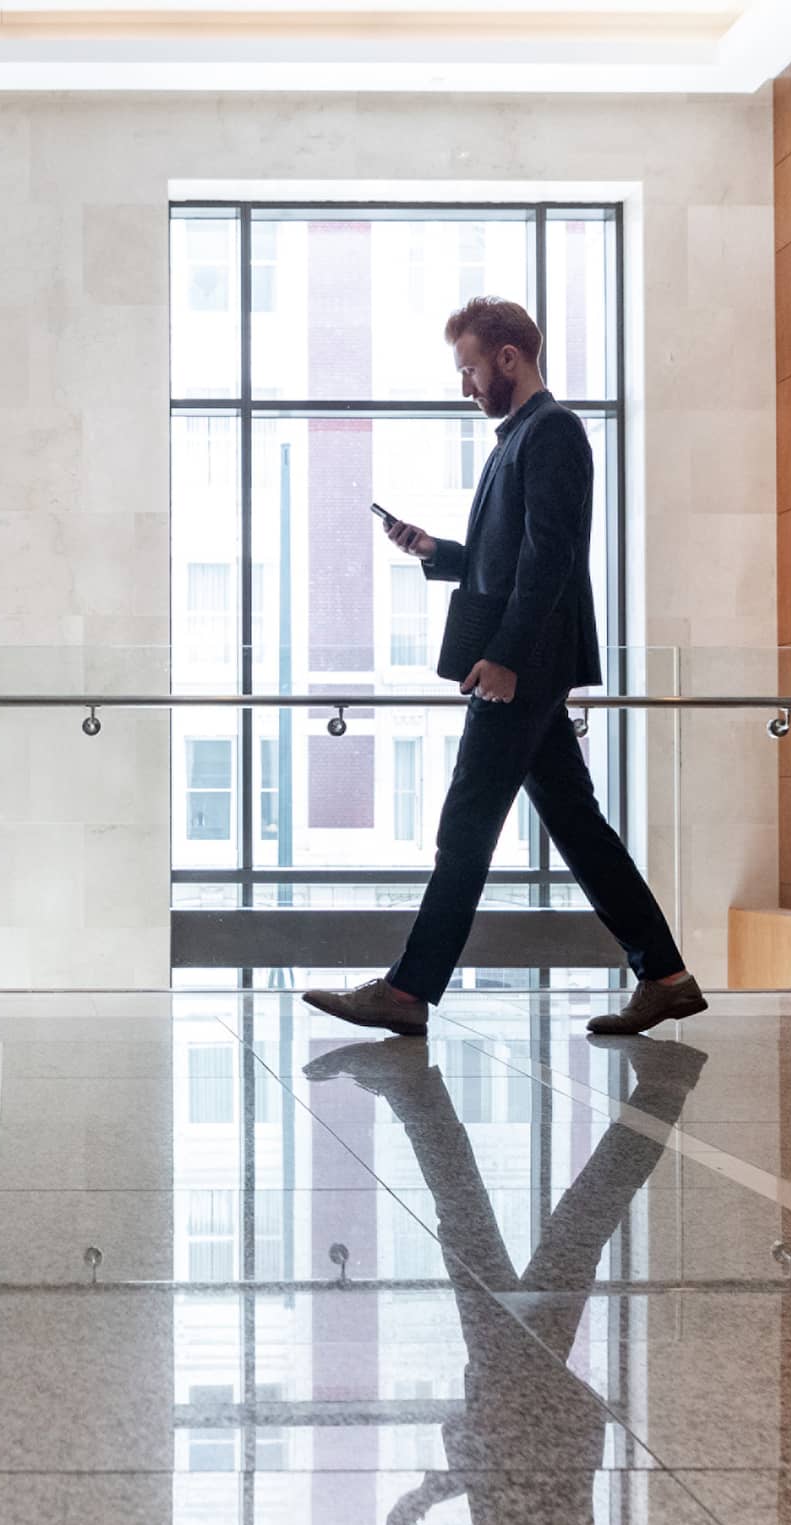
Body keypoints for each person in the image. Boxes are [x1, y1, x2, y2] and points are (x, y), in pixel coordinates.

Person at [303, 298, 705, 1039]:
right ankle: (666, 975)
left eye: (470, 368)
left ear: (509, 360)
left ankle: (406, 992)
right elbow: (505, 560)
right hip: (529, 664)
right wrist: (435, 552)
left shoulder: (551, 433)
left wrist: (508, 657)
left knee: (466, 826)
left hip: (524, 667)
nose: (466, 385)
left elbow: (550, 558)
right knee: (578, 825)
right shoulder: (517, 439)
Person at [303, 1031, 708, 1525]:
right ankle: (412, 1085)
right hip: (523, 1416)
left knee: (549, 1230)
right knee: (496, 1228)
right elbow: (520, 1498)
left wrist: (430, 1494)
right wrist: (429, 1495)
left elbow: (509, 1496)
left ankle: (663, 1086)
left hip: (531, 1422)